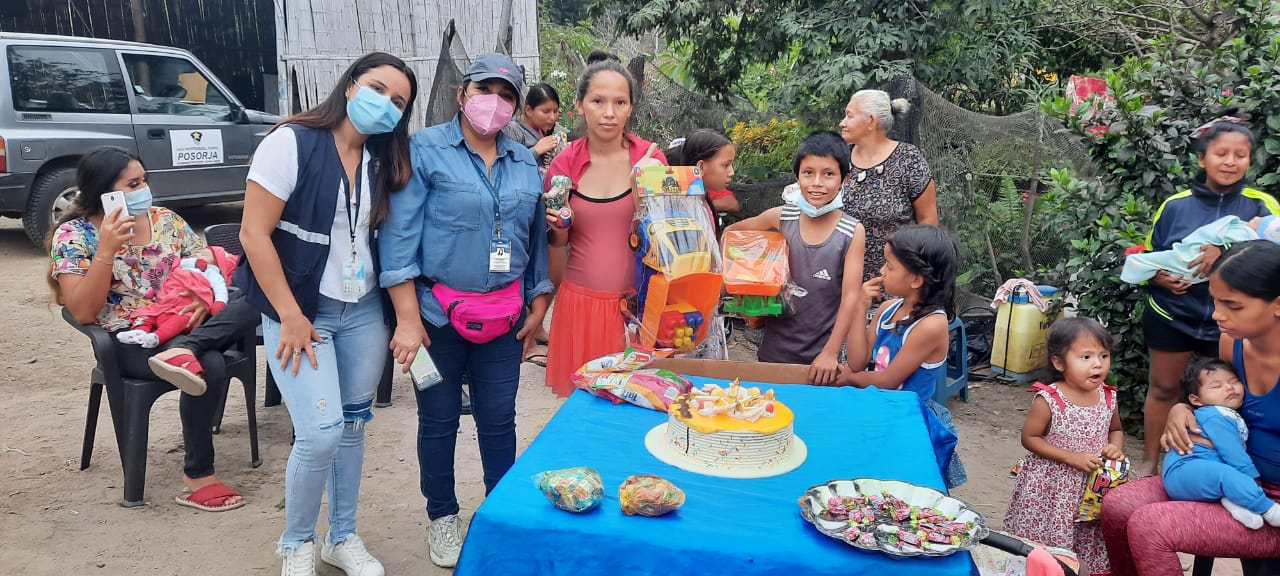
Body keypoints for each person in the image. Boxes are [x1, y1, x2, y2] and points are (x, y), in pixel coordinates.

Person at [236, 52, 417, 576]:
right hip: (302, 312)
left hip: (363, 311)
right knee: (320, 432)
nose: (385, 105)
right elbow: (253, 234)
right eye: (377, 89)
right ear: (351, 84)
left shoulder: (384, 160)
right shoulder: (290, 142)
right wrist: (290, 316)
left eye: (398, 102)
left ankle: (342, 537)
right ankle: (296, 542)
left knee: (353, 426)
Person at [378, 52, 553, 568]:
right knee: (439, 420)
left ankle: (499, 513)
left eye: (506, 95)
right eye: (484, 90)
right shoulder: (425, 149)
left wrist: (538, 305)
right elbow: (399, 237)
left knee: (499, 419)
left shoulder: (524, 161)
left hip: (505, 317)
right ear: (462, 94)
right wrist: (407, 318)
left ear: (516, 106)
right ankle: (443, 516)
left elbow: (534, 241)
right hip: (435, 317)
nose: (493, 103)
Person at [48, 146, 259, 512]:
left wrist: (202, 293)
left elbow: (204, 265)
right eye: (132, 185)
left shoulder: (165, 220)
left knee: (258, 297)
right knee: (210, 362)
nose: (143, 190)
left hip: (186, 322)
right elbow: (81, 311)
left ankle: (188, 348)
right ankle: (199, 475)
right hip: (132, 337)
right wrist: (106, 250)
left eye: (143, 181)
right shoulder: (74, 235)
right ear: (104, 192)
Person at [1102, 240, 1280, 576]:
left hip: (1269, 503)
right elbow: (1219, 396)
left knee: (1151, 526)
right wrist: (1182, 408)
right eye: (1216, 301)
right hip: (1226, 478)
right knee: (1118, 505)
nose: (1217, 314)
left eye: (1233, 305)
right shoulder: (1232, 343)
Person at [1135, 113, 1280, 477]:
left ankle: (1224, 465)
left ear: (1250, 160)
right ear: (1202, 159)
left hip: (1232, 327)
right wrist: (1159, 279)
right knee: (1164, 389)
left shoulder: (1262, 206)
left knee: (1225, 397)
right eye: (1220, 153)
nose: (1230, 162)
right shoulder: (1175, 206)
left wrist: (1225, 252)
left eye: (1240, 155)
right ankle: (1150, 463)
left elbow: (1271, 263)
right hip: (1173, 313)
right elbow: (1150, 256)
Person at [542, 55, 667, 397]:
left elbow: (673, 240)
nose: (609, 112)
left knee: (640, 406)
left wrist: (646, 201)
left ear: (631, 107)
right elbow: (557, 245)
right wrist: (558, 227)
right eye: (598, 101)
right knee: (585, 410)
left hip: (641, 308)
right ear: (579, 104)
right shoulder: (564, 165)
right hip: (580, 308)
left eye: (620, 102)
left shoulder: (651, 161)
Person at [724, 131, 864, 385]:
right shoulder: (781, 217)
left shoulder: (851, 232)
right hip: (772, 353)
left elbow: (851, 297)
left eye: (828, 174)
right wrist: (747, 286)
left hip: (821, 362)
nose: (817, 183)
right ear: (797, 176)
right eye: (808, 173)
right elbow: (731, 235)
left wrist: (830, 353)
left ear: (845, 179)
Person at [838, 224, 968, 488]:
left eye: (889, 266)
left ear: (916, 280)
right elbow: (857, 361)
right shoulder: (887, 309)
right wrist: (860, 308)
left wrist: (849, 378)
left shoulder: (931, 325)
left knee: (899, 483)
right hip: (880, 408)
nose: (881, 271)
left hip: (907, 422)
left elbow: (887, 381)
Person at [1002, 317, 1125, 576]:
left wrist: (1115, 448)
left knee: (1084, 540)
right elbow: (1030, 438)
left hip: (1090, 490)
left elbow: (1115, 430)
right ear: (1059, 363)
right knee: (1045, 544)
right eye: (1086, 357)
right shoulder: (1050, 399)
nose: (1098, 364)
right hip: (1050, 488)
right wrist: (1070, 457)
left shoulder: (1108, 396)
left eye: (1104, 356)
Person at [1163, 358, 1280, 528]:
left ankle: (1237, 506)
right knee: (1226, 475)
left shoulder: (1227, 413)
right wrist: (1252, 479)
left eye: (1234, 381)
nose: (1229, 387)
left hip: (1201, 475)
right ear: (1196, 400)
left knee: (1226, 477)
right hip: (1184, 470)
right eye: (1216, 386)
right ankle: (1270, 511)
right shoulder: (1214, 414)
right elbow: (1232, 451)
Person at [835, 89, 938, 283]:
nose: (842, 123)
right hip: (844, 283)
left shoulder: (908, 160)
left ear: (871, 121)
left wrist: (916, 273)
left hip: (897, 282)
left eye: (849, 116)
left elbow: (928, 221)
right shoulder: (839, 158)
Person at [665, 129, 741, 229]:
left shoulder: (702, 201)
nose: (732, 172)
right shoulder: (685, 213)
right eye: (726, 165)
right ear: (701, 167)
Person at [501, 82, 567, 174]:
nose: (552, 117)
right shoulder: (513, 131)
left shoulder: (545, 129)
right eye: (545, 111)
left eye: (555, 111)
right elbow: (505, 168)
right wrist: (536, 151)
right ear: (528, 110)